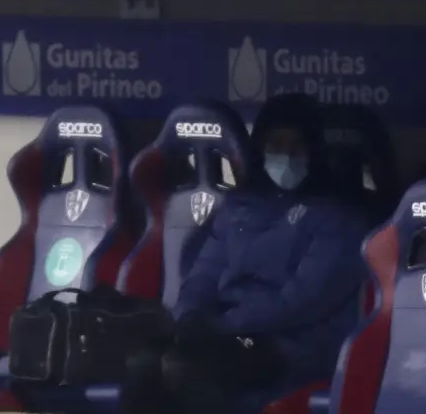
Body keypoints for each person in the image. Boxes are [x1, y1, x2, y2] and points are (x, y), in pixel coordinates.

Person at [120, 93, 368, 414]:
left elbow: (301, 302)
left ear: (314, 152)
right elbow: (204, 274)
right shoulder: (239, 208)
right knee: (145, 363)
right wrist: (190, 316)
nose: (286, 155)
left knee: (192, 367)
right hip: (226, 332)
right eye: (276, 145)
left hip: (288, 344)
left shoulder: (340, 219)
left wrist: (221, 326)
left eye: (296, 147)